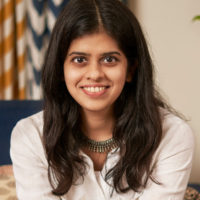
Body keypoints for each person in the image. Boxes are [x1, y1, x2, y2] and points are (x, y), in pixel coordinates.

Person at [10, 0, 194, 199]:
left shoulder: (172, 135)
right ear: (61, 69)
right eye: (79, 60)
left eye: (109, 59)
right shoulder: (30, 137)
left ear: (131, 69)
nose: (95, 74)